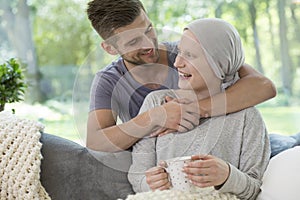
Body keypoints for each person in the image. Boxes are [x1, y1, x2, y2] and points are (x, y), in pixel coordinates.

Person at [86, 0, 276, 153]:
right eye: (134, 41)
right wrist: (155, 117)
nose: (149, 44)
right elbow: (95, 142)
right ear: (110, 48)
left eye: (148, 30)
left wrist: (195, 109)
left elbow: (263, 86)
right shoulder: (109, 80)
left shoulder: (188, 50)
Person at [128, 18, 270, 200]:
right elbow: (137, 175)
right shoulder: (157, 102)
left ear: (219, 63)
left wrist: (227, 175)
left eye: (190, 55)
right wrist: (150, 183)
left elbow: (253, 189)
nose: (177, 63)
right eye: (179, 52)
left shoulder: (247, 117)